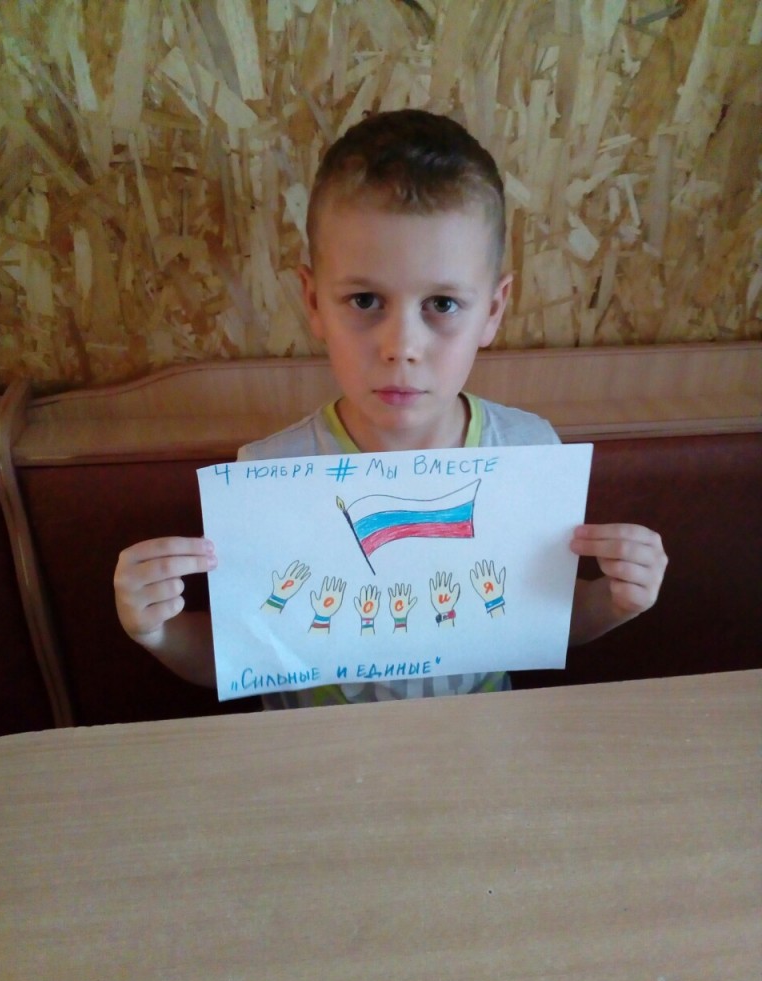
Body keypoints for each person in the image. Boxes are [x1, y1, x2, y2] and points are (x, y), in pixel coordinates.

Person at [114, 109, 667, 707]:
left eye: (442, 304)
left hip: (477, 742)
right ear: (313, 302)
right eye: (365, 300)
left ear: (493, 309)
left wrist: (613, 600)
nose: (401, 347)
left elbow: (544, 624)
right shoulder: (269, 475)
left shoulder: (527, 455)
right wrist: (157, 630)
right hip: (316, 750)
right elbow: (239, 656)